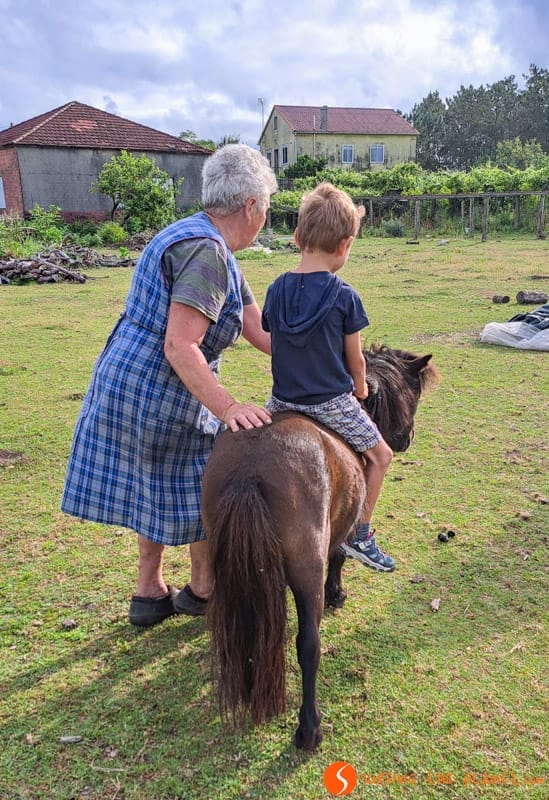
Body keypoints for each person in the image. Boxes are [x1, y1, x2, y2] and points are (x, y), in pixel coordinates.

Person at [61, 144, 278, 626]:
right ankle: (203, 589)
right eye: (266, 207)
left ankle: (149, 592)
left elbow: (256, 327)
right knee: (208, 477)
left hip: (131, 375)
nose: (266, 217)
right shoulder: (207, 253)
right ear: (250, 206)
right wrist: (227, 407)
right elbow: (181, 345)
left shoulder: (205, 238)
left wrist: (315, 358)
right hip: (157, 384)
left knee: (151, 481)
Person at [261, 182, 395, 571]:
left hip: (282, 401)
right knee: (381, 454)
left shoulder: (275, 289)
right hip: (330, 402)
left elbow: (274, 335)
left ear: (298, 237)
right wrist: (361, 387)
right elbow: (355, 360)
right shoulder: (344, 296)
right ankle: (361, 533)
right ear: (345, 245)